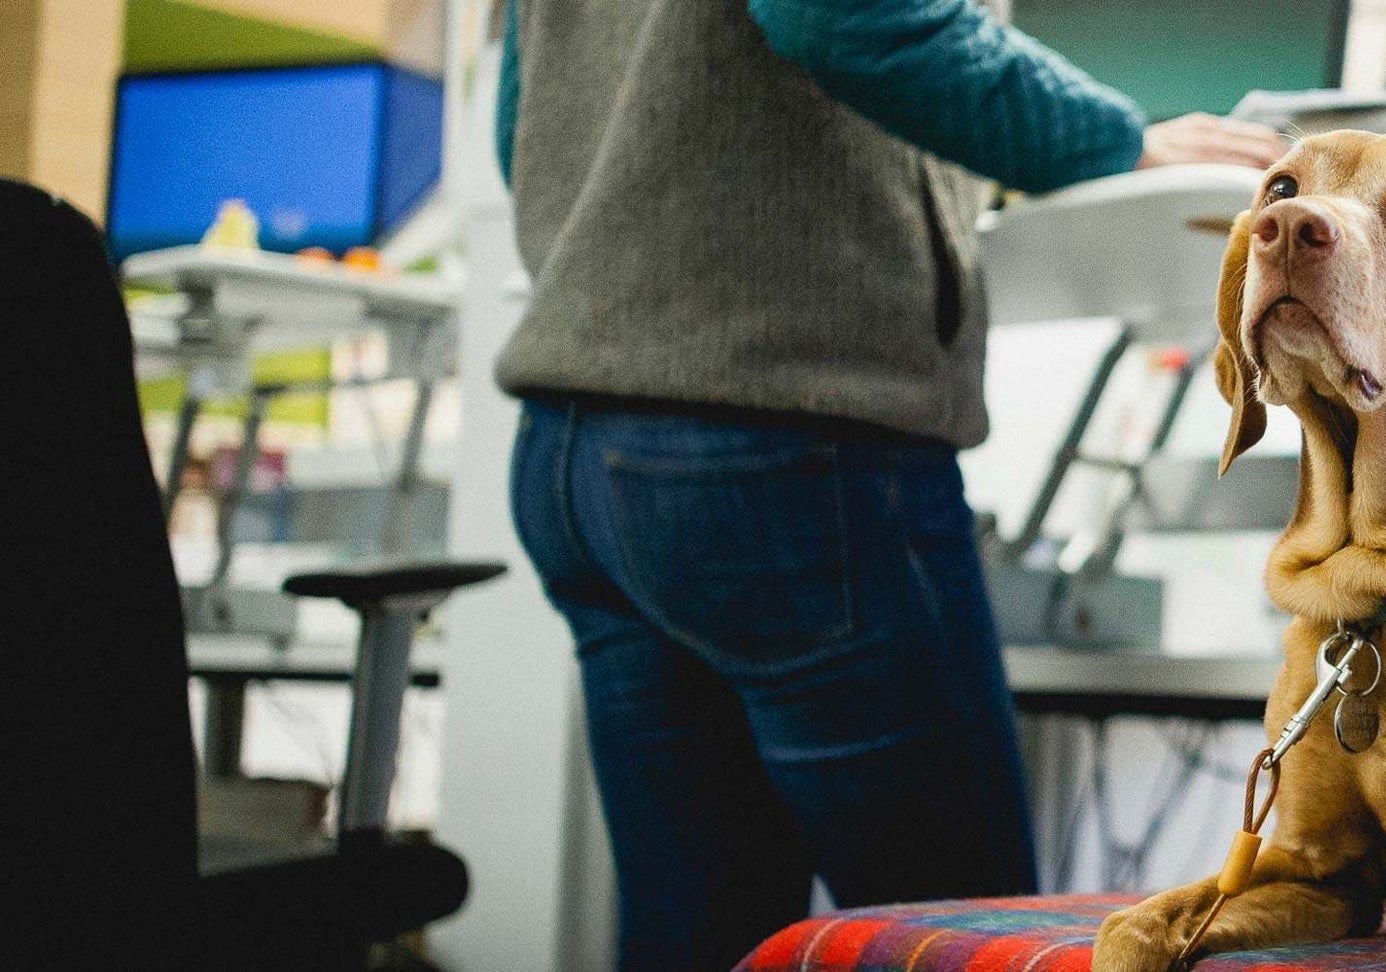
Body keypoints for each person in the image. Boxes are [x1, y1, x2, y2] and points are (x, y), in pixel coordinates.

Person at [490, 0, 1286, 967]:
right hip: (779, 435)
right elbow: (855, 18)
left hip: (581, 443)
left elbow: (522, 121)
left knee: (698, 926)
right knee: (968, 936)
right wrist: (1118, 143)